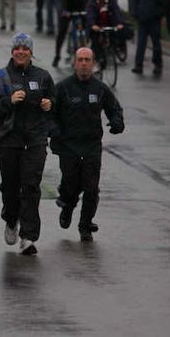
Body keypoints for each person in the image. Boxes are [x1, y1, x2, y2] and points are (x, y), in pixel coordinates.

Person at [0, 33, 54, 256]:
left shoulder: (42, 77)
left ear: (31, 52)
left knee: (31, 186)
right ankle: (11, 219)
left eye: (25, 48)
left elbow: (56, 101)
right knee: (11, 187)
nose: (21, 52)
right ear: (12, 51)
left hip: (35, 140)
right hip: (8, 141)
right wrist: (8, 102)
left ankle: (29, 236)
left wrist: (49, 104)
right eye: (17, 48)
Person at [50, 47, 124, 242]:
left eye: (87, 60)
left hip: (91, 145)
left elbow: (114, 109)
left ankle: (85, 226)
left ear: (93, 64)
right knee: (71, 184)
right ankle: (67, 205)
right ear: (75, 63)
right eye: (80, 60)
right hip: (68, 146)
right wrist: (53, 130)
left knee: (91, 188)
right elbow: (50, 115)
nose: (83, 63)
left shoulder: (100, 89)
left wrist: (117, 122)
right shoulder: (63, 88)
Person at [52, 0, 91, 67]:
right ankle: (57, 56)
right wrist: (63, 11)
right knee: (62, 32)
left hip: (79, 10)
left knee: (86, 28)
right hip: (67, 11)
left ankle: (83, 52)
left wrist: (87, 9)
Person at [131, 0, 166, 76]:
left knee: (156, 45)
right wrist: (136, 14)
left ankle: (158, 65)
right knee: (141, 44)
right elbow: (136, 2)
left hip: (153, 22)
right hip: (142, 21)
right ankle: (138, 65)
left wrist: (156, 15)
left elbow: (163, 6)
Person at [85, 0, 126, 67]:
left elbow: (116, 12)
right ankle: (94, 62)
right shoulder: (92, 2)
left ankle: (118, 49)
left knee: (117, 36)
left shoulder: (111, 1)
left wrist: (119, 23)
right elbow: (90, 14)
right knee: (95, 44)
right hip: (96, 26)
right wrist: (93, 25)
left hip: (108, 25)